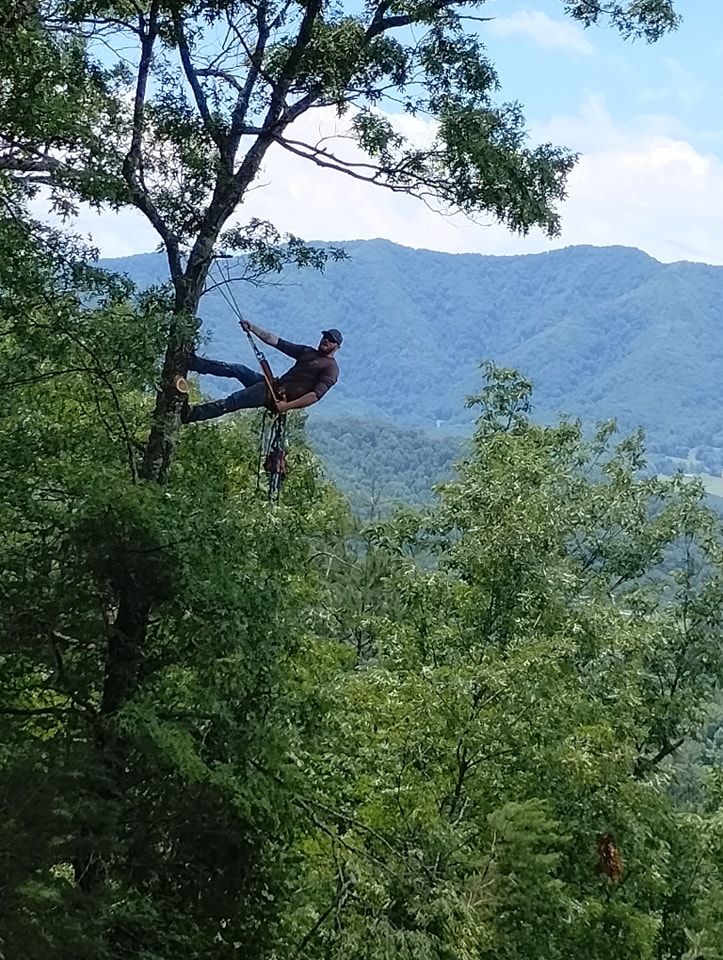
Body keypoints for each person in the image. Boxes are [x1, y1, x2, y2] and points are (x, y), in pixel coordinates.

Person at [180, 321, 342, 423]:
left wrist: (286, 406)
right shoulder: (307, 352)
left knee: (235, 400)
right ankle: (193, 363)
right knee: (238, 369)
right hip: (273, 384)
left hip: (275, 396)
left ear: (337, 346)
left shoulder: (331, 368)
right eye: (325, 337)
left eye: (331, 339)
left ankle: (191, 414)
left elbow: (315, 396)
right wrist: (252, 328)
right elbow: (276, 342)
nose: (325, 340)